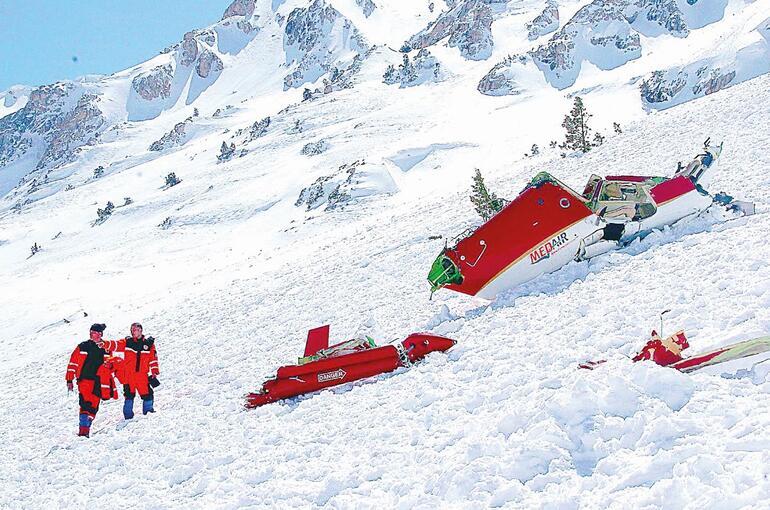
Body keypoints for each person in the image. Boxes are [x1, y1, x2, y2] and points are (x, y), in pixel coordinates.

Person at [65, 323, 120, 437]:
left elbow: (110, 364)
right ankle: (83, 432)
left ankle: (86, 427)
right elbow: (73, 364)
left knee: (93, 407)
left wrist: (112, 368)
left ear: (100, 334)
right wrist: (69, 380)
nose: (92, 334)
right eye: (91, 332)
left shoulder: (106, 348)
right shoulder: (83, 346)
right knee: (85, 404)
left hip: (99, 382)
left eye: (94, 332)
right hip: (84, 380)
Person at [103, 323, 160, 419]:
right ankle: (128, 418)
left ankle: (148, 414)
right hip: (129, 375)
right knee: (129, 396)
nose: (134, 331)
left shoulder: (148, 344)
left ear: (141, 330)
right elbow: (115, 345)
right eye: (132, 330)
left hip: (142, 375)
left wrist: (154, 372)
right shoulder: (127, 342)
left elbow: (153, 359)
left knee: (147, 394)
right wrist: (104, 343)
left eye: (136, 329)